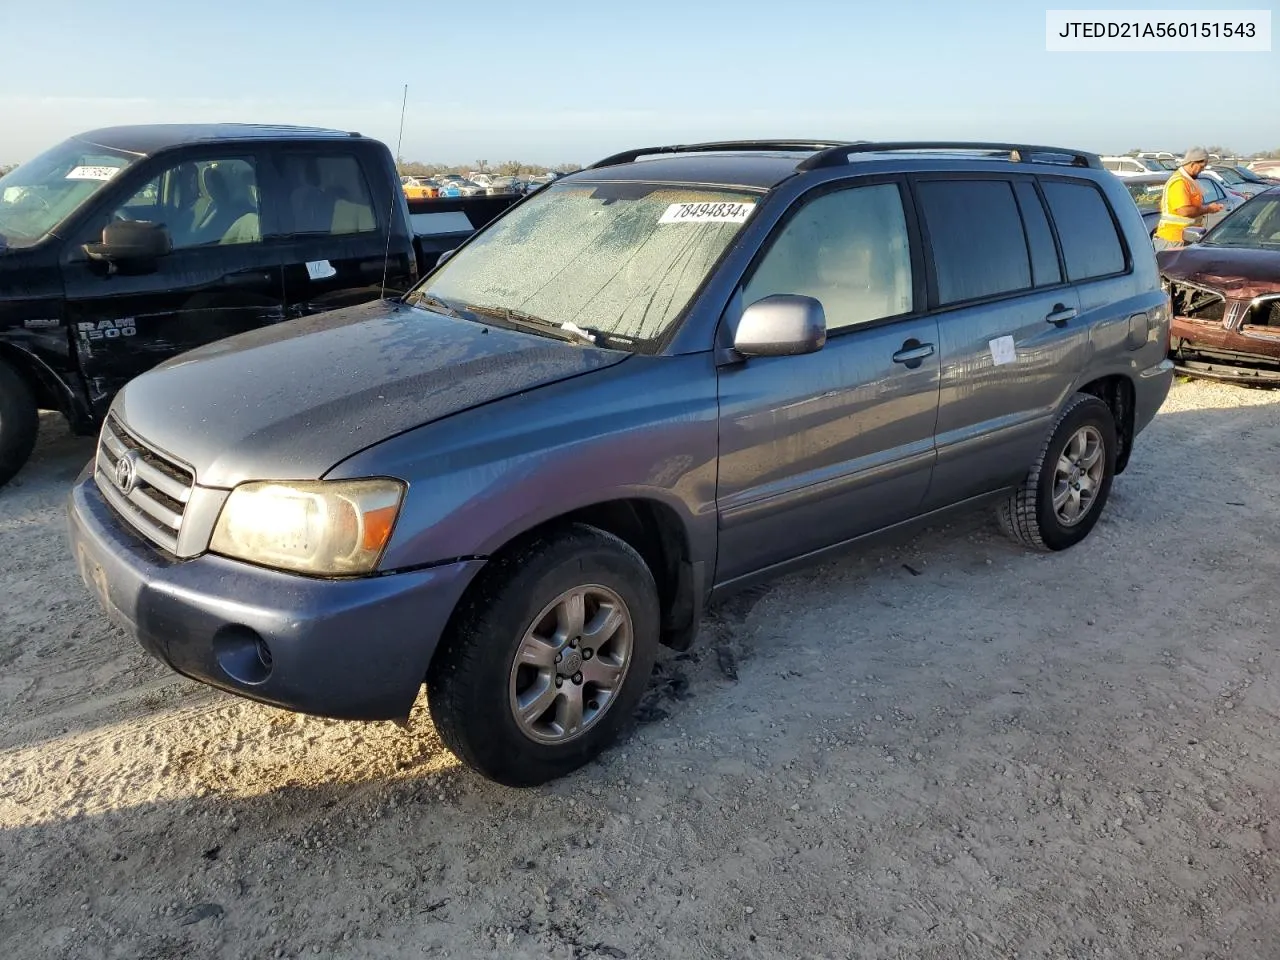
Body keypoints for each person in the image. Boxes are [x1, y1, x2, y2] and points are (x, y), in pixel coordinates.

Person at [1153, 147, 1223, 250]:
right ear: (1192, 164)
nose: (1202, 170)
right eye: (1201, 166)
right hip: (1173, 240)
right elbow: (1184, 211)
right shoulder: (1179, 182)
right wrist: (1209, 209)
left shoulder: (1187, 181)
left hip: (1183, 239)